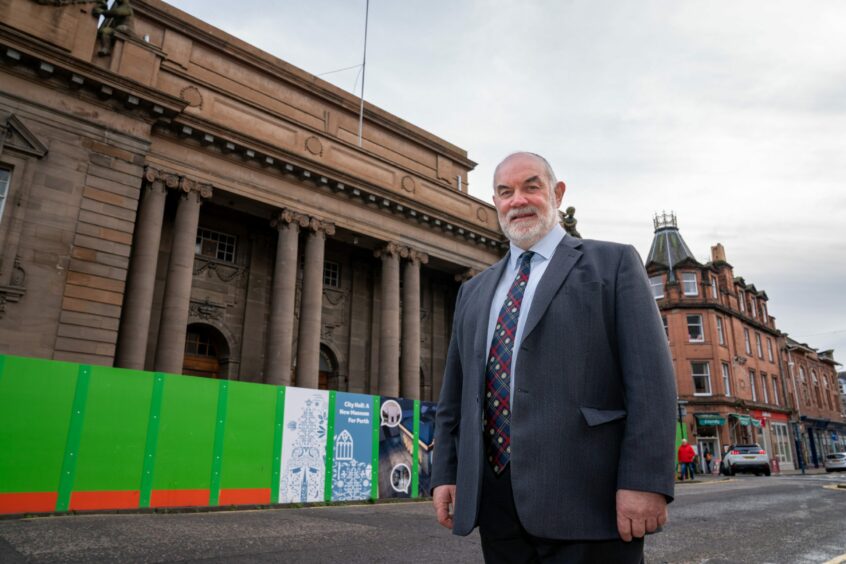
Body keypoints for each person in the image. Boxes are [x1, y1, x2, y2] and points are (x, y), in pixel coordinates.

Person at [430, 152, 678, 563]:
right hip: (497, 504)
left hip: (590, 500)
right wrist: (446, 473)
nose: (517, 201)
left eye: (531, 186)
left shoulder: (613, 264)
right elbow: (454, 397)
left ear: (557, 193)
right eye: (505, 192)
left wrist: (645, 481)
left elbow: (651, 383)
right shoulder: (474, 291)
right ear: (495, 202)